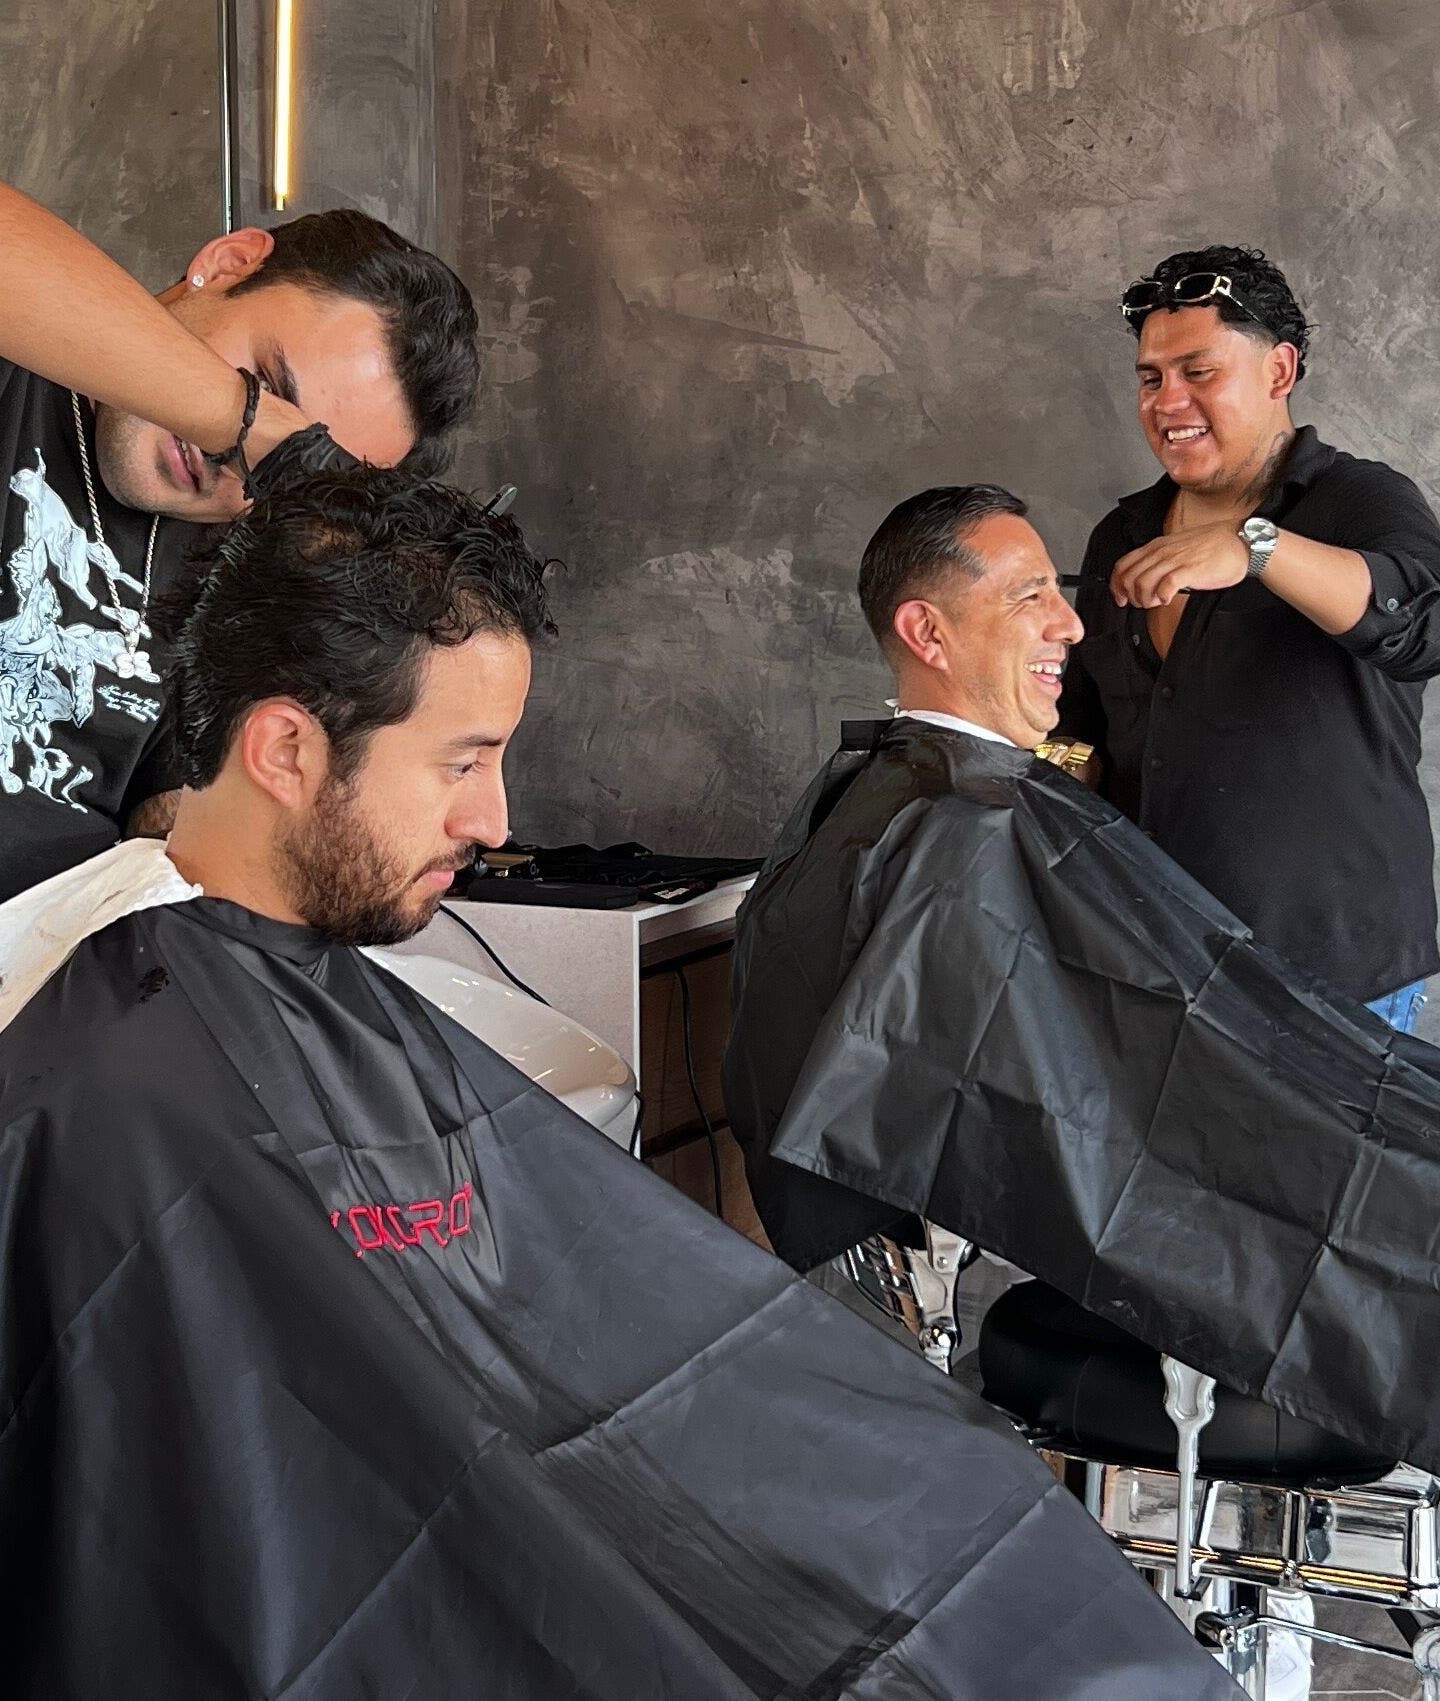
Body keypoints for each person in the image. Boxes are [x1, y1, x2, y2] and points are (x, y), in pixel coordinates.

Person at [0, 466, 1230, 1701]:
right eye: (464, 760)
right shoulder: (100, 1063)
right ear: (284, 748)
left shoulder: (290, 994)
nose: (497, 816)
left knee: (966, 1516)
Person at [724, 482, 1440, 1483]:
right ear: (927, 631)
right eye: (1030, 596)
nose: (1071, 620)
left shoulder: (915, 797)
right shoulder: (961, 829)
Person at [0, 180, 480, 902]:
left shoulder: (226, 578)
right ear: (226, 264)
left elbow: (172, 824)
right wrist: (252, 421)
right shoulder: (24, 364)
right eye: (265, 379)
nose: (241, 464)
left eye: (286, 472)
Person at [1058, 245, 1440, 1028]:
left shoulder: (1360, 500)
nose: (1169, 401)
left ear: (1279, 372)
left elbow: (1427, 628)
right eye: (1151, 377)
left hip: (1337, 982)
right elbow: (1081, 732)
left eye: (1198, 373)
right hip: (1161, 970)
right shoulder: (1121, 535)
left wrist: (1256, 547)